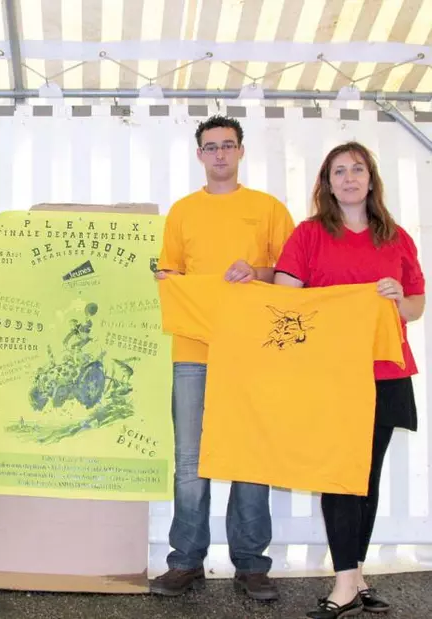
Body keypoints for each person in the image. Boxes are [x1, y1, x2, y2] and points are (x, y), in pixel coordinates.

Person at [274, 142, 425, 619]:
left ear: (371, 179)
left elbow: (416, 306)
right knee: (342, 473)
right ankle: (344, 585)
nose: (349, 177)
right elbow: (286, 298)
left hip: (386, 372)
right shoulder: (309, 235)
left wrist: (399, 298)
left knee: (368, 476)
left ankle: (354, 576)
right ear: (327, 182)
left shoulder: (396, 237)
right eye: (339, 171)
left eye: (357, 169)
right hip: (331, 374)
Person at [150, 115, 295, 601]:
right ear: (199, 155)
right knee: (190, 460)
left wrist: (254, 270)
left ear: (241, 151)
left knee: (250, 456)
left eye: (227, 146)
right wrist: (168, 282)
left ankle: (252, 564)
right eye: (210, 147)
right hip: (192, 349)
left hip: (252, 350)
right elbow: (169, 273)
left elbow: (294, 276)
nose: (219, 154)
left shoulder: (268, 208)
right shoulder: (183, 211)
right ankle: (186, 561)